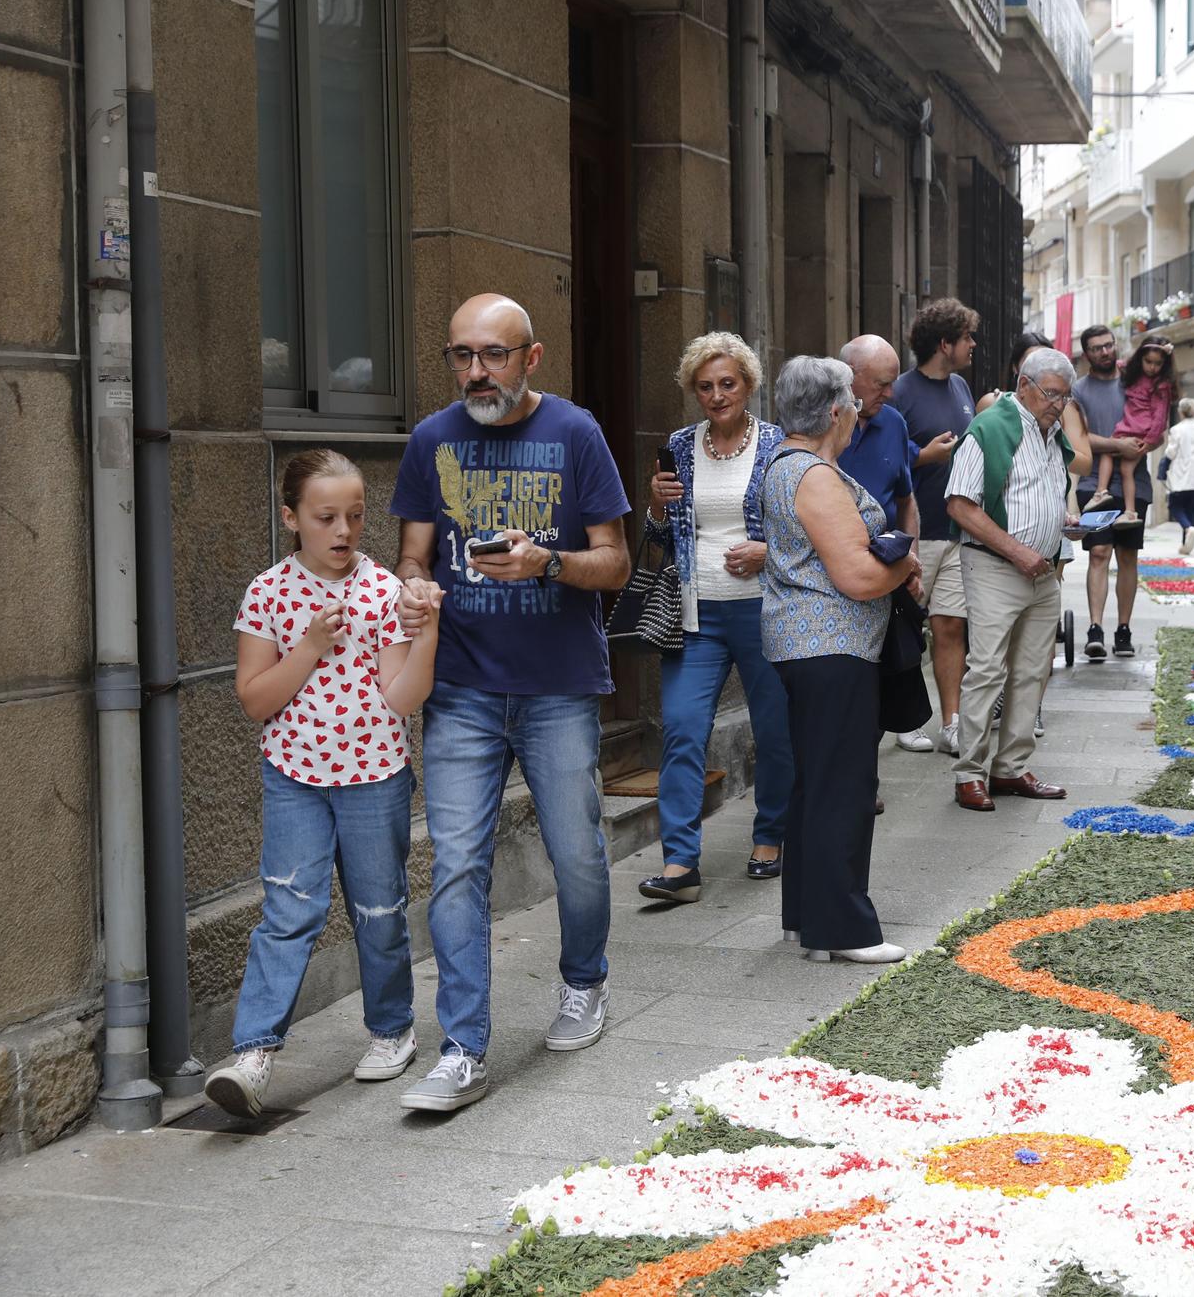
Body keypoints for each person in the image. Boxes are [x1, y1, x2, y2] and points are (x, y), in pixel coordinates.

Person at [391, 293, 632, 1113]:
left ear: (531, 358)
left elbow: (617, 563)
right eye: (461, 354)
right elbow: (414, 555)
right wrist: (415, 589)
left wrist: (547, 563)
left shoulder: (575, 433)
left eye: (492, 355)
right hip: (459, 686)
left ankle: (585, 984)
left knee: (576, 854)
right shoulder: (432, 438)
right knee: (456, 863)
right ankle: (463, 1047)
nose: (474, 371)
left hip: (559, 684)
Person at [204, 451, 443, 1119]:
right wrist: (307, 645)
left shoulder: (380, 593)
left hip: (375, 777)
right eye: (326, 516)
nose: (344, 530)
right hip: (295, 777)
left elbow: (402, 698)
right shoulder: (268, 592)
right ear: (291, 517)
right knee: (288, 913)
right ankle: (253, 1057)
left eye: (356, 515)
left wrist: (424, 636)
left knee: (379, 909)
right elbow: (255, 698)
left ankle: (392, 1028)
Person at [759, 357, 920, 963]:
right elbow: (856, 576)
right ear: (833, 412)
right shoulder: (813, 475)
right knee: (843, 788)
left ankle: (809, 921)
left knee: (816, 785)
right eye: (852, 401)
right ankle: (846, 930)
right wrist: (905, 565)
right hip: (831, 646)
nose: (857, 411)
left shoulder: (789, 465)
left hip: (811, 648)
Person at [637, 333, 793, 905]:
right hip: (696, 611)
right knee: (681, 728)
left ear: (748, 385)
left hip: (761, 608)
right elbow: (657, 538)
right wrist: (656, 505)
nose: (717, 395)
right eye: (705, 386)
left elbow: (805, 531)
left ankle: (771, 834)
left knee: (774, 729)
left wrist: (765, 552)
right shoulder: (679, 446)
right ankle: (680, 863)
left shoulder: (777, 445)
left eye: (727, 383)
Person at [946, 347, 1079, 812]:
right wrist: (1019, 549)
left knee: (1031, 671)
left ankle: (1010, 768)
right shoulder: (990, 427)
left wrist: (1062, 520)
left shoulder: (1051, 433)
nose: (1058, 404)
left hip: (1043, 570)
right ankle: (969, 774)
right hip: (996, 566)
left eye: (1065, 396)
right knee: (987, 670)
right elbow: (960, 504)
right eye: (1051, 394)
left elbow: (1043, 491)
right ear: (1024, 386)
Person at [893, 298, 978, 754]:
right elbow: (884, 452)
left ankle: (951, 723)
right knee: (906, 629)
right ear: (944, 343)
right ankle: (906, 720)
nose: (973, 345)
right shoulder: (901, 391)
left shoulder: (963, 388)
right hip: (917, 533)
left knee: (950, 627)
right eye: (967, 337)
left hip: (956, 531)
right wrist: (925, 455)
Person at [840, 333, 925, 776]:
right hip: (834, 582)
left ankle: (862, 781)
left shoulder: (892, 422)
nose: (890, 393)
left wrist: (912, 557)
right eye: (881, 383)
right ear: (850, 380)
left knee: (881, 683)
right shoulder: (820, 425)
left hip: (886, 577)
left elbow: (907, 499)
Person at [1068, 325, 1151, 660]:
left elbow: (1154, 427)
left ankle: (1124, 629)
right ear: (1086, 354)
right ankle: (1096, 628)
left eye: (1109, 345)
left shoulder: (1135, 384)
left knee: (1128, 556)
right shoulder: (1078, 391)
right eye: (1097, 348)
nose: (1105, 351)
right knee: (1099, 553)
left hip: (1136, 483)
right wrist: (1119, 444)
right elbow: (1080, 438)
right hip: (1094, 485)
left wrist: (1142, 445)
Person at [1086, 338, 1174, 517]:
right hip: (1128, 427)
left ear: (1164, 364)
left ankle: (1102, 493)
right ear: (1141, 359)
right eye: (1148, 362)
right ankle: (1128, 510)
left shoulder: (1161, 385)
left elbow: (1160, 418)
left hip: (1139, 433)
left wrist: (1148, 443)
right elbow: (1122, 364)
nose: (1152, 367)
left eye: (1158, 363)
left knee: (1110, 452)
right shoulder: (1135, 374)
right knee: (1123, 467)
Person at [1162, 398, 1194, 554]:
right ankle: (1186, 544)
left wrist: (1163, 469)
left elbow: (1171, 452)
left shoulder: (1176, 430)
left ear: (1180, 411)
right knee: (1192, 509)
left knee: (1174, 506)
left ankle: (1187, 529)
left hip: (1181, 474)